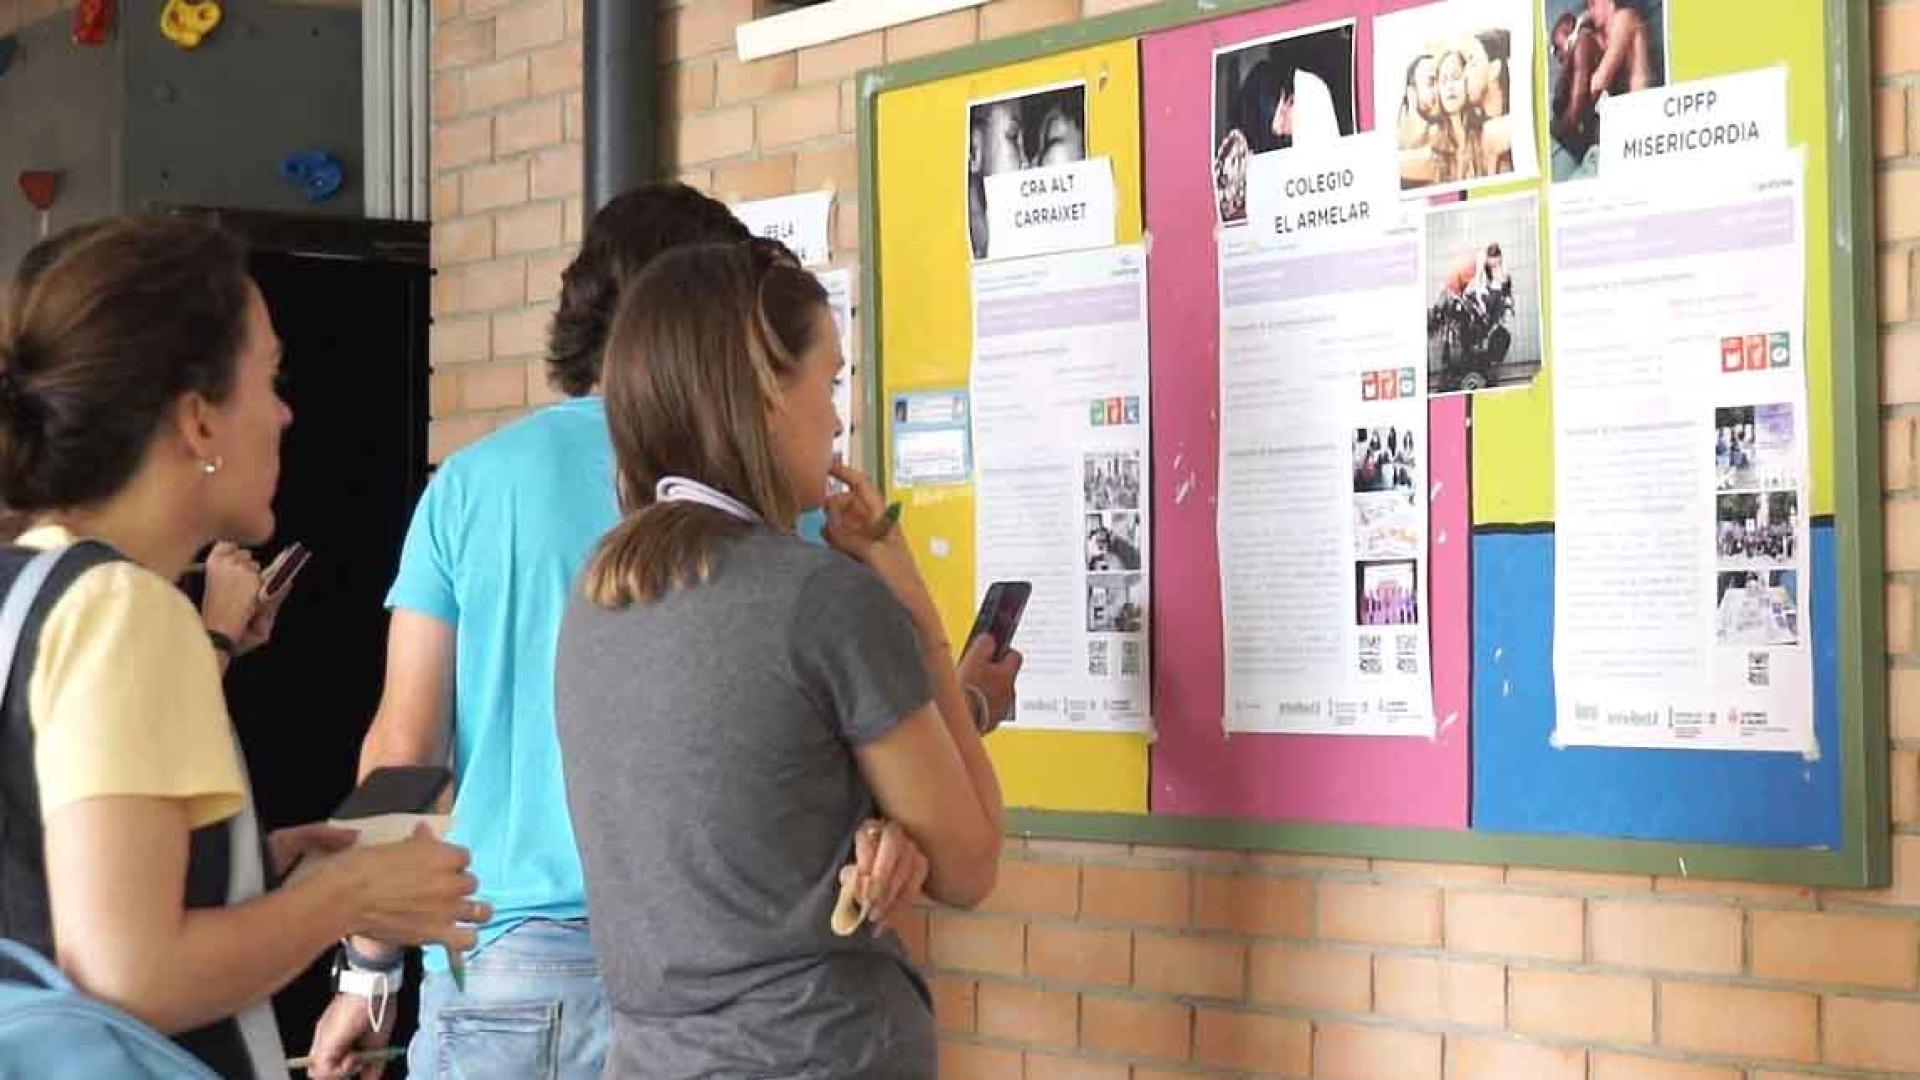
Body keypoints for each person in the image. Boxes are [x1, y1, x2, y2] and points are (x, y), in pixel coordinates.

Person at [307, 185, 937, 1080]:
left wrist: (367, 970)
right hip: (728, 972)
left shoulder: (470, 487)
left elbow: (404, 748)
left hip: (510, 960)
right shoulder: (768, 501)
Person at [0, 216, 481, 1079]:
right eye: (270, 377)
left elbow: (39, 885)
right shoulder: (125, 610)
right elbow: (126, 971)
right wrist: (354, 892)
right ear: (197, 422)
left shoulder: (28, 589)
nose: (287, 411)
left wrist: (249, 873)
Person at [554, 239, 1015, 1078]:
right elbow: (970, 861)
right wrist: (913, 603)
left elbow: (749, 814)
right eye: (829, 381)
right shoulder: (822, 599)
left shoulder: (597, 597)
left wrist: (873, 828)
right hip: (814, 1050)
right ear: (766, 395)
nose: (838, 419)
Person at [1550, 12, 1604, 178]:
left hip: (1590, 141)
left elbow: (1578, 99)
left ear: (1569, 33)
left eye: (1557, 47)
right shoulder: (1582, 47)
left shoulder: (1583, 41)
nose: (1557, 56)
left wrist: (1559, 129)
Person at [1588, 0, 1658, 99]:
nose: (1591, 12)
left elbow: (1601, 79)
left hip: (1640, 99)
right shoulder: (1606, 34)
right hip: (1627, 101)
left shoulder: (1623, 18)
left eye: (1593, 4)